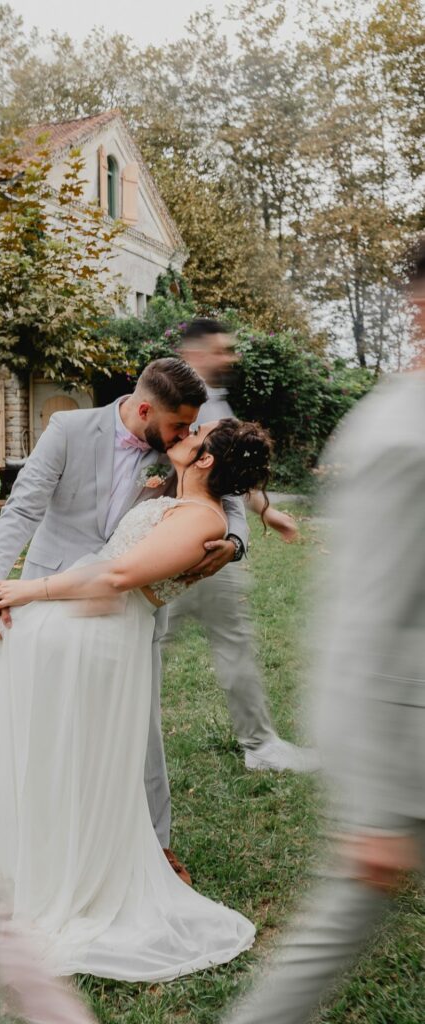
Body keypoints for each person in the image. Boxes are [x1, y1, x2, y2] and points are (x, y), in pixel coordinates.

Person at [0, 417, 272, 982]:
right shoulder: (175, 496)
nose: (188, 431)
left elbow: (121, 575)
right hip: (76, 623)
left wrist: (25, 589)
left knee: (41, 728)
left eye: (197, 433)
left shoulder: (203, 519)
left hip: (97, 641)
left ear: (205, 461)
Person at [220, 243, 425, 1024]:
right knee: (333, 931)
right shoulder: (401, 438)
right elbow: (361, 619)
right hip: (401, 745)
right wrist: (371, 806)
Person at [0, 358, 250, 879]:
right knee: (45, 721)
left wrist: (234, 543)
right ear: (144, 409)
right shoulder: (69, 429)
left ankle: (153, 845)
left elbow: (228, 495)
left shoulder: (183, 452)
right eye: (178, 425)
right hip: (50, 600)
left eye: (192, 427)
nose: (186, 435)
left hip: (131, 610)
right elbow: (23, 508)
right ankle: (45, 837)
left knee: (137, 727)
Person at [165, 318, 318, 773]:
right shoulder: (193, 404)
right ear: (196, 353)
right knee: (223, 642)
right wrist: (236, 536)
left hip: (189, 541)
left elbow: (230, 475)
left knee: (153, 641)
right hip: (205, 545)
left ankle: (260, 743)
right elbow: (218, 475)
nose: (230, 357)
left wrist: (266, 512)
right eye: (222, 349)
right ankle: (261, 746)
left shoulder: (210, 402)